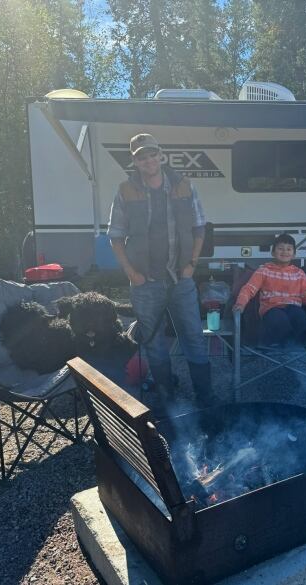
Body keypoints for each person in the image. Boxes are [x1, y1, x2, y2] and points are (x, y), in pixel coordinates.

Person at [107, 133, 213, 407]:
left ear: (161, 155)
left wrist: (192, 264)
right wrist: (131, 272)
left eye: (152, 154)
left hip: (181, 278)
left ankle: (206, 397)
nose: (149, 160)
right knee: (154, 343)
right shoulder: (125, 190)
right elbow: (115, 236)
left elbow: (200, 227)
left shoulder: (184, 185)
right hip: (145, 282)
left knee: (193, 336)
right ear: (135, 161)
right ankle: (168, 400)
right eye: (142, 156)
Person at [233, 233, 306, 346]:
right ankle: (284, 343)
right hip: (272, 309)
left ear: (294, 254)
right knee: (279, 320)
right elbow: (248, 289)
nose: (285, 252)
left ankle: (297, 341)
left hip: (293, 307)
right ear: (273, 252)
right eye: (280, 248)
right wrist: (240, 304)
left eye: (289, 249)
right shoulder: (264, 270)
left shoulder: (299, 273)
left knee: (300, 318)